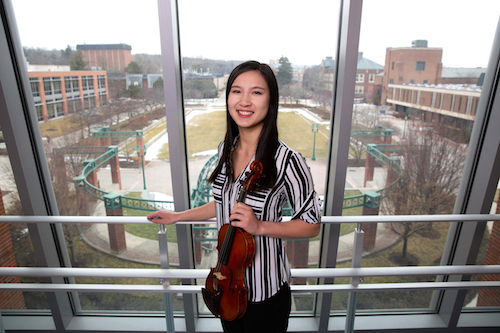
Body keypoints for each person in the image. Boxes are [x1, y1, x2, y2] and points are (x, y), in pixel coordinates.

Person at [147, 60, 321, 333]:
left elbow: (312, 225)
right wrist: (177, 216)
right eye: (236, 91)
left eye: (256, 92)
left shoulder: (288, 161)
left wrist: (260, 226)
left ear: (271, 100)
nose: (245, 101)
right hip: (227, 288)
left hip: (266, 295)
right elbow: (222, 204)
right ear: (227, 97)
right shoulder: (224, 151)